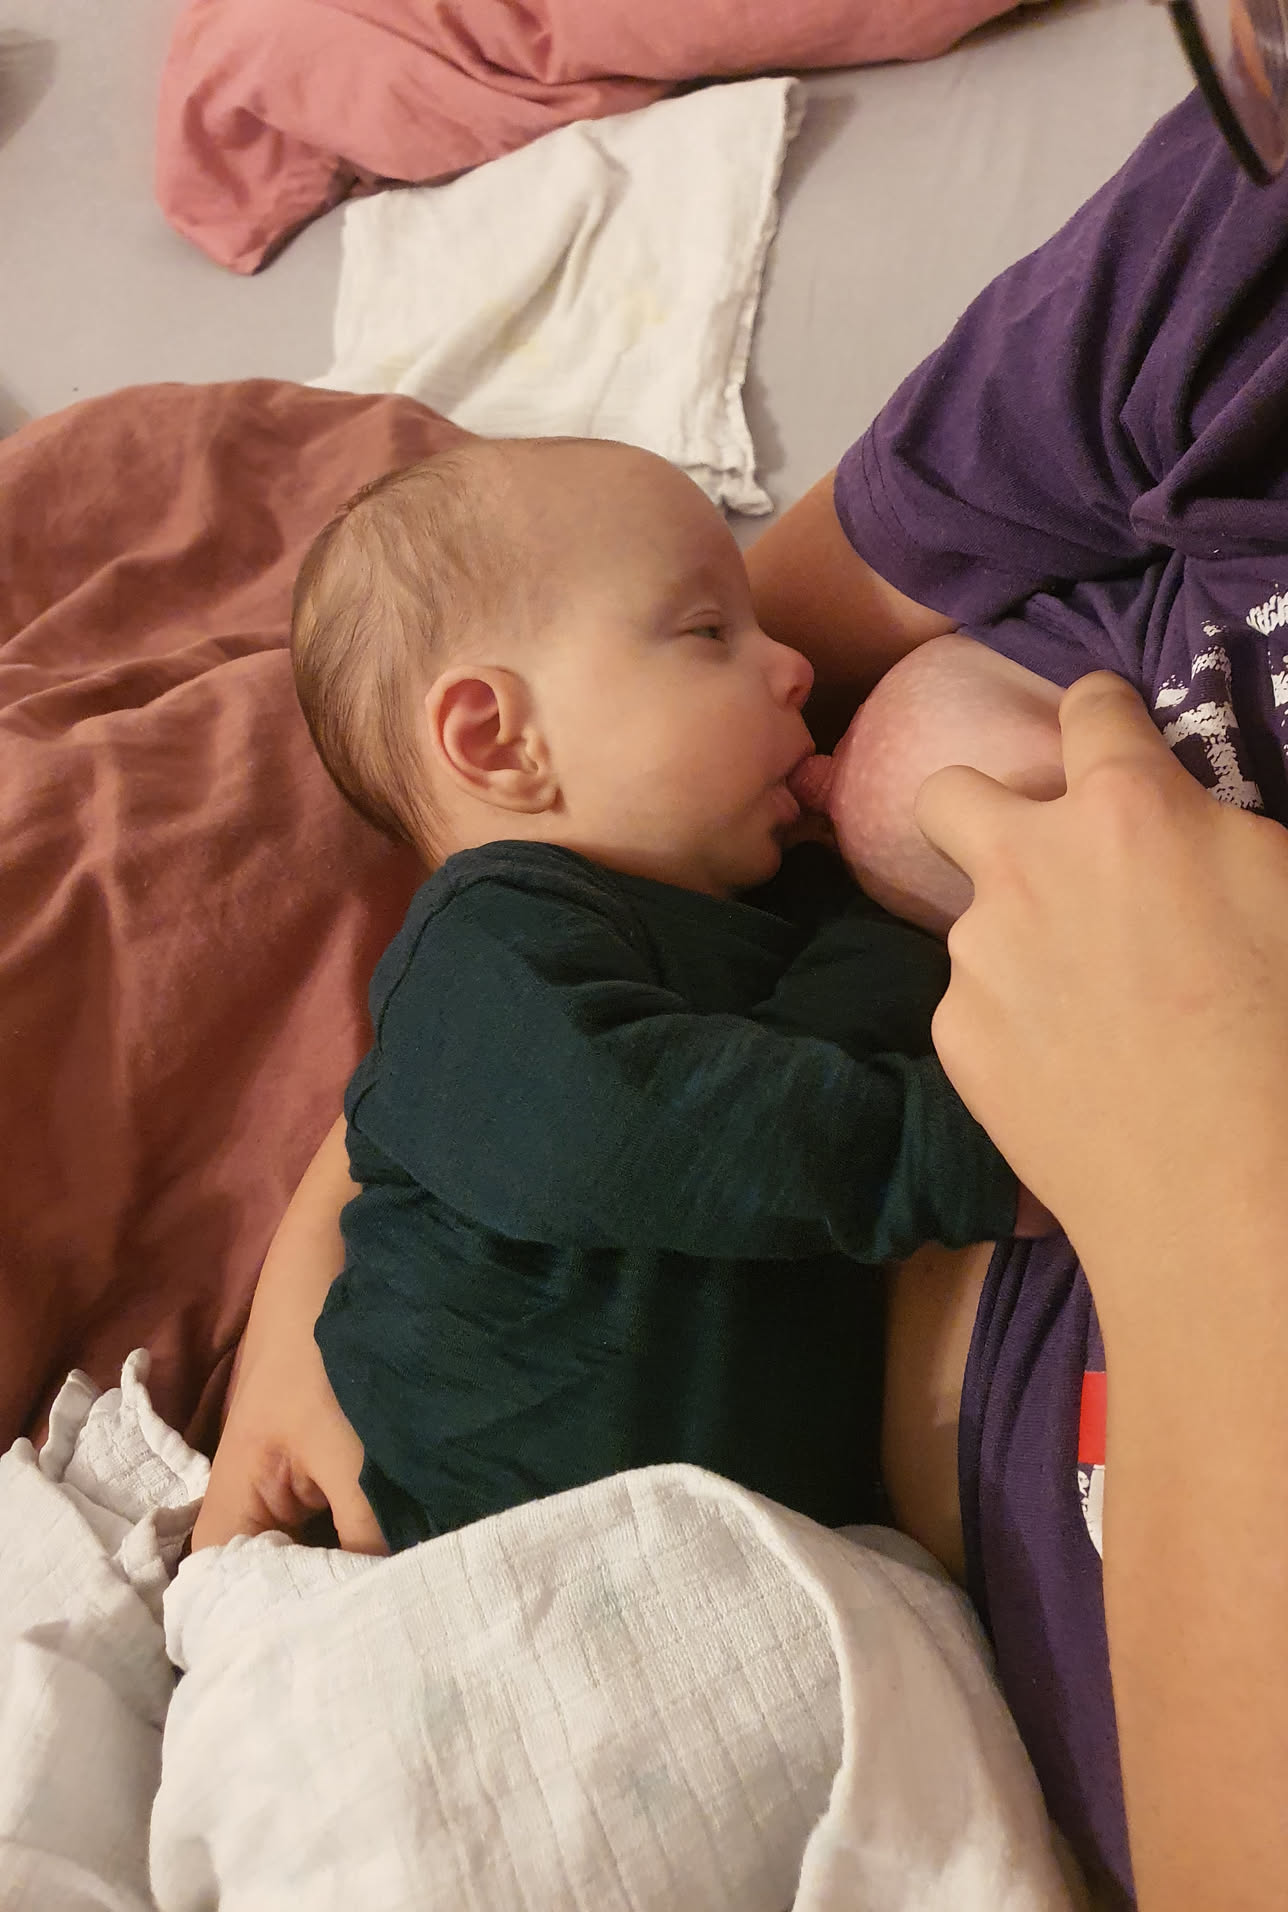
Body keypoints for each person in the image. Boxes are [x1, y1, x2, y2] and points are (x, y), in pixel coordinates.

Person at [196, 3, 1288, 1912]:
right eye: (1282, 13)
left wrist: (1220, 1194)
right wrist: (334, 1221)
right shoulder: (1275, 227)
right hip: (585, 1574)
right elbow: (591, 1019)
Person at [270, 435, 1038, 1552]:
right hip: (480, 1547)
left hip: (772, 1562)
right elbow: (625, 1129)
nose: (796, 667)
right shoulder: (483, 945)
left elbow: (843, 1024)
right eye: (710, 632)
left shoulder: (786, 907)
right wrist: (959, 1158)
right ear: (499, 740)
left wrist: (880, 878)